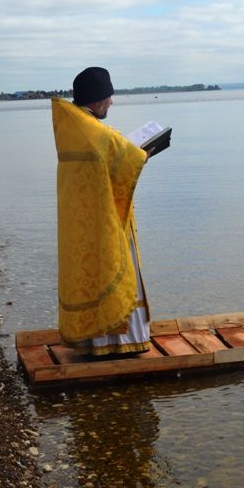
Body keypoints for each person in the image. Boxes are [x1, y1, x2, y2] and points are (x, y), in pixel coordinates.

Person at [51, 66, 154, 356]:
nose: (112, 102)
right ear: (97, 100)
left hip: (81, 218)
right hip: (103, 219)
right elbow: (127, 158)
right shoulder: (92, 129)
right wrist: (143, 155)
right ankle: (121, 342)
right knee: (115, 267)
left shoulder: (74, 123)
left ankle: (89, 341)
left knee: (90, 275)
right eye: (109, 97)